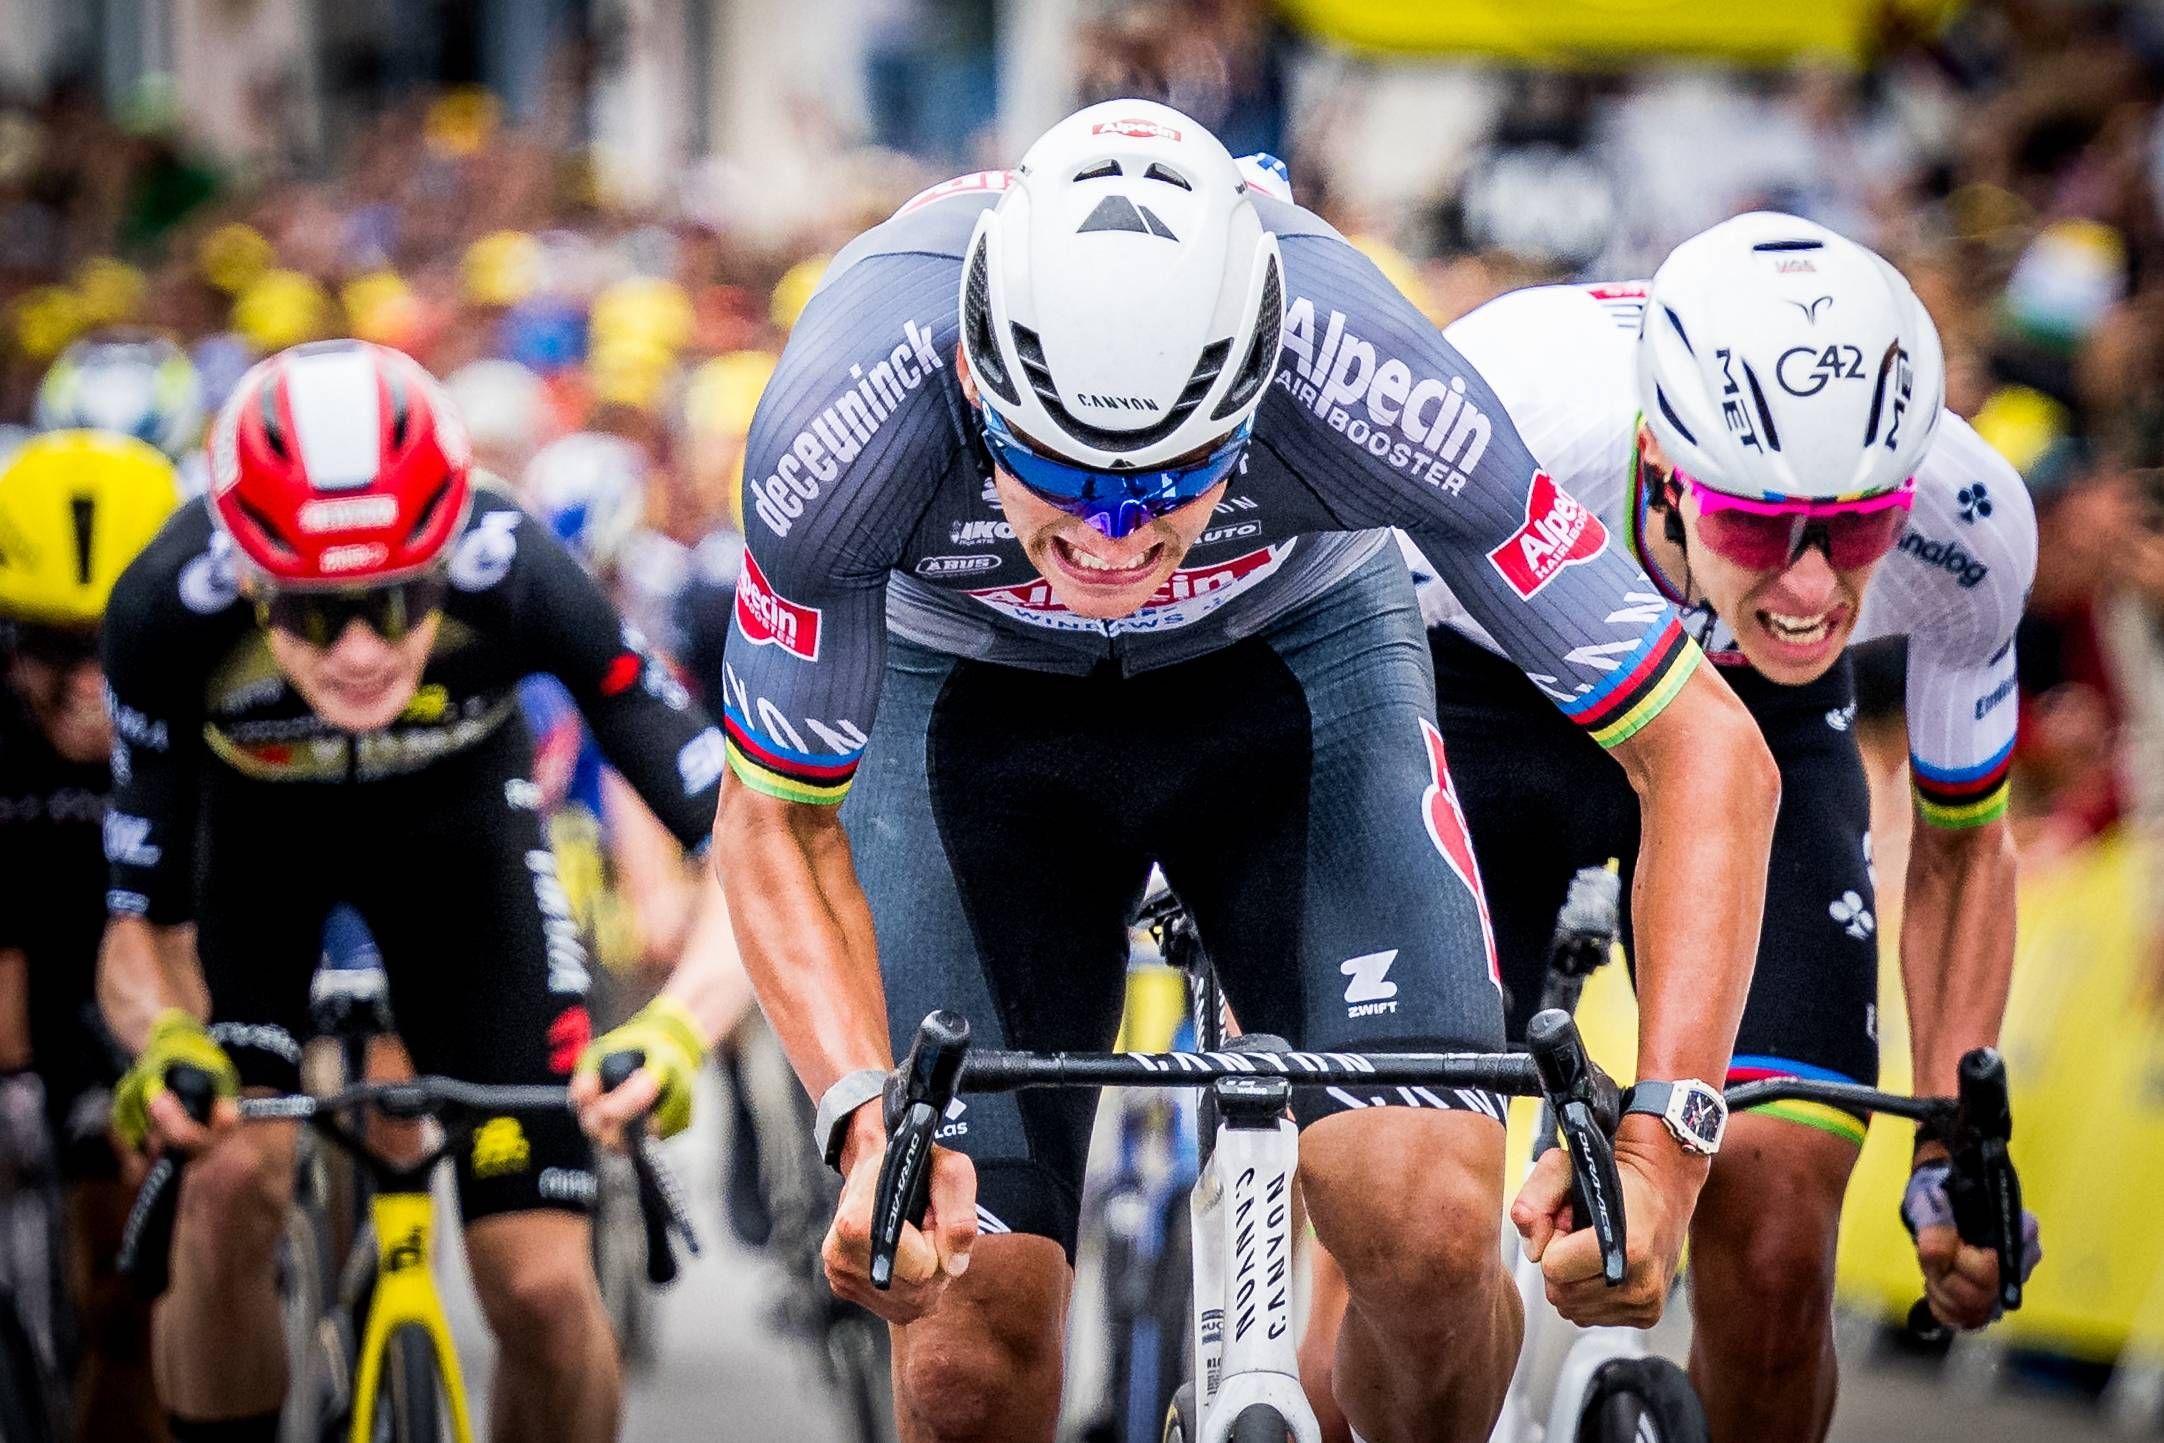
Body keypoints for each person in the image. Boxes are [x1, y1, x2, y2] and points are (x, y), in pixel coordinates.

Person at [616, 99, 1781, 1443]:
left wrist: (1668, 1140)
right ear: (979, 390)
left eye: (1175, 481)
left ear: (1259, 388)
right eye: (1058, 475)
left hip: (1288, 668)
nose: (1114, 537)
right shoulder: (845, 420)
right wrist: (861, 1118)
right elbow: (774, 817)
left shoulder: (1361, 368)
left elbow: (1706, 745)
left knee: (1428, 1241)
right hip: (974, 716)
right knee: (961, 1355)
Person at [1310, 213, 2042, 1443]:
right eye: (1757, 527)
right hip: (1489, 690)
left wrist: (1947, 1146)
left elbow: (1964, 844)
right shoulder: (1509, 408)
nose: (1811, 584)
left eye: (1857, 529)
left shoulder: (1968, 520)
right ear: (1659, 462)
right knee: (1399, 1244)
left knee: (1779, 1236)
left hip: (1766, 717)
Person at [95, 339, 730, 1443]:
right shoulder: (163, 603)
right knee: (228, 1182)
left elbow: (748, 848)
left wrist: (679, 1027)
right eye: (311, 611)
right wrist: (164, 1037)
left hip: (465, 859)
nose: (357, 651)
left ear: (447, 555)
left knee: (543, 1288)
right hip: (256, 865)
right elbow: (136, 926)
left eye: (398, 602)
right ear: (245, 577)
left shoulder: (515, 563)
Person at [0, 430, 183, 1442]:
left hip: (150, 959)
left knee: (125, 1288)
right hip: (32, 946)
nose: (84, 682)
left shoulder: (208, 688)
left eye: (111, 643)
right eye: (48, 645)